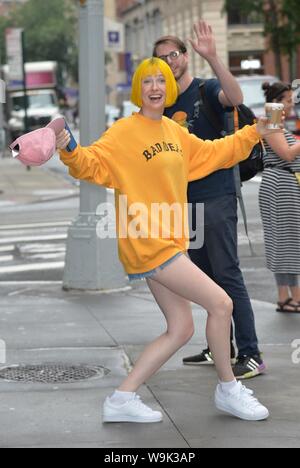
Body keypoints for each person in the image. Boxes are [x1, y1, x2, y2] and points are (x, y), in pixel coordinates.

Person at [57, 57, 275, 424]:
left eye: (161, 80)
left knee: (181, 328)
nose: (155, 87)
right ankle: (228, 388)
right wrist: (69, 147)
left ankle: (122, 397)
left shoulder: (175, 134)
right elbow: (92, 164)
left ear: (169, 88)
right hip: (147, 240)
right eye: (147, 81)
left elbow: (213, 153)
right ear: (138, 89)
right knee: (221, 304)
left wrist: (256, 132)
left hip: (171, 241)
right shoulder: (125, 132)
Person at [153, 20, 266, 380]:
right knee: (204, 276)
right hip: (183, 201)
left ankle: (251, 353)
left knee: (227, 272)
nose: (168, 62)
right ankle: (221, 344)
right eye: (160, 58)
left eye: (173, 54)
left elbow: (236, 99)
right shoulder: (164, 104)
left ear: (185, 57)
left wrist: (214, 57)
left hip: (216, 194)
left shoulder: (205, 89)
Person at [259, 82, 300, 314]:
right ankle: (289, 297)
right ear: (276, 101)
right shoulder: (272, 120)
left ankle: (288, 296)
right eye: (286, 100)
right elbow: (285, 154)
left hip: (286, 184)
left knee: (288, 242)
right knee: (286, 242)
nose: (289, 105)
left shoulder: (277, 123)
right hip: (280, 184)